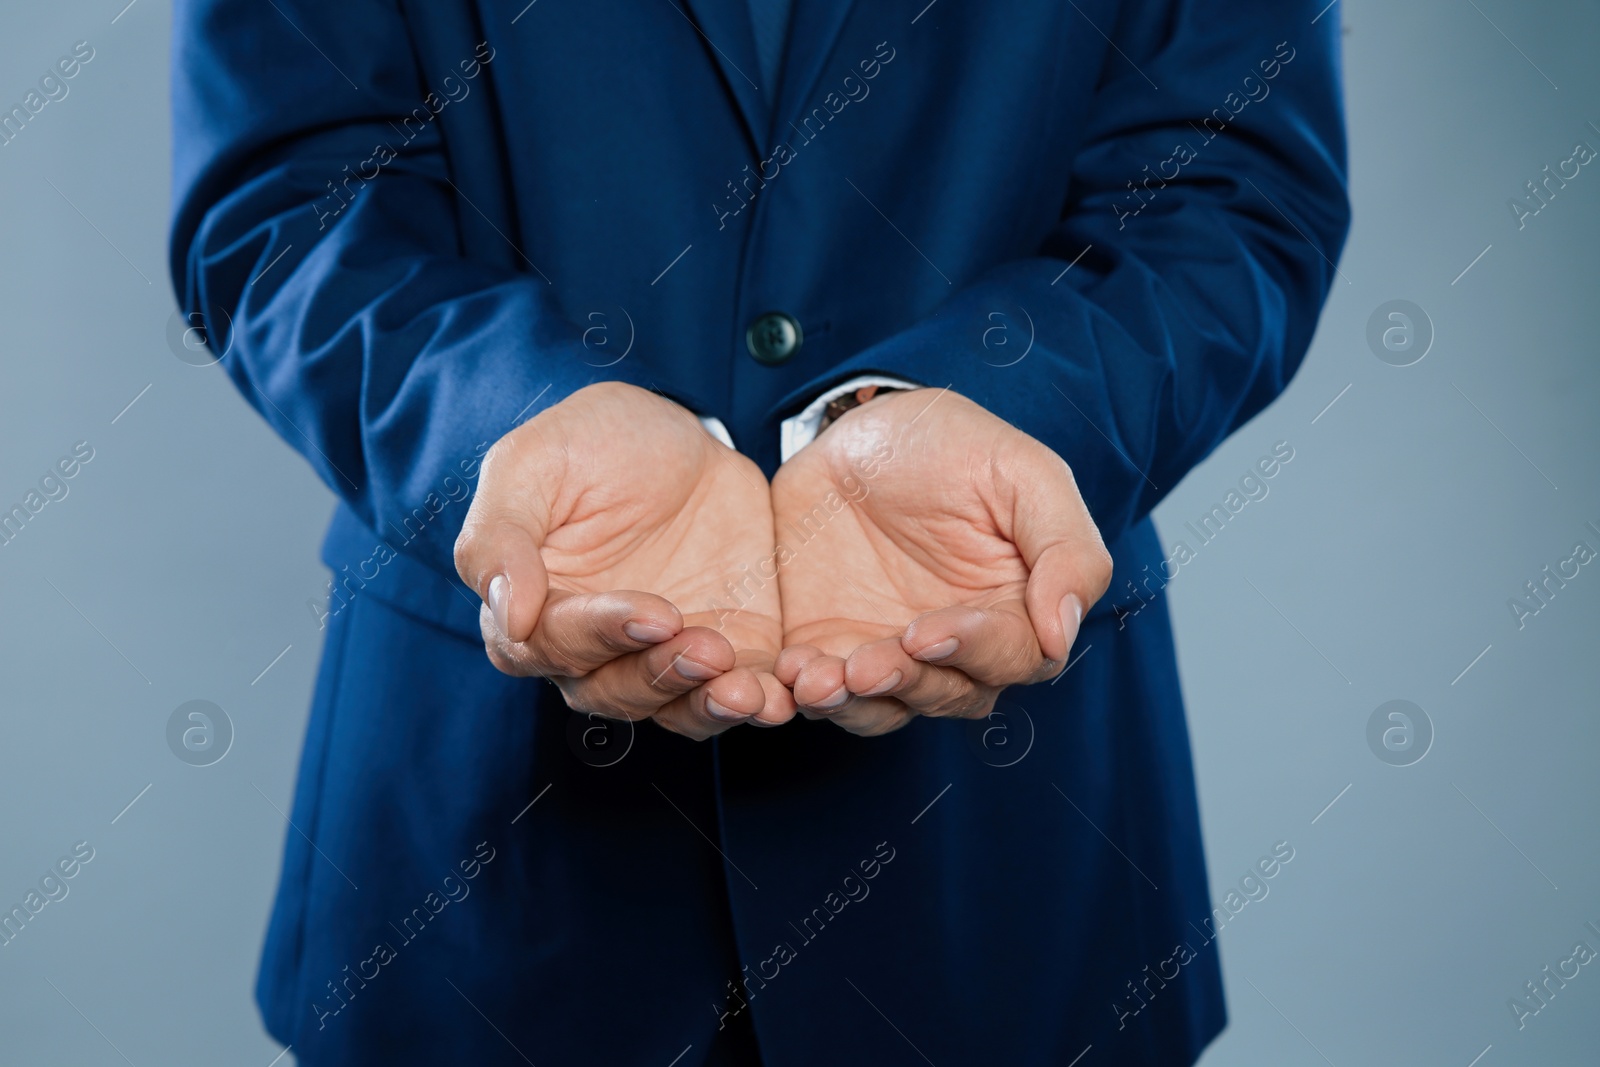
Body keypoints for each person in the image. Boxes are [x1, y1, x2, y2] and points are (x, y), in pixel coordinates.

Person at [169, 0, 1348, 1063]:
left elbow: (1229, 187)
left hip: (1002, 866)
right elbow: (286, 198)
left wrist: (1000, 406)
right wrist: (517, 423)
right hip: (480, 867)